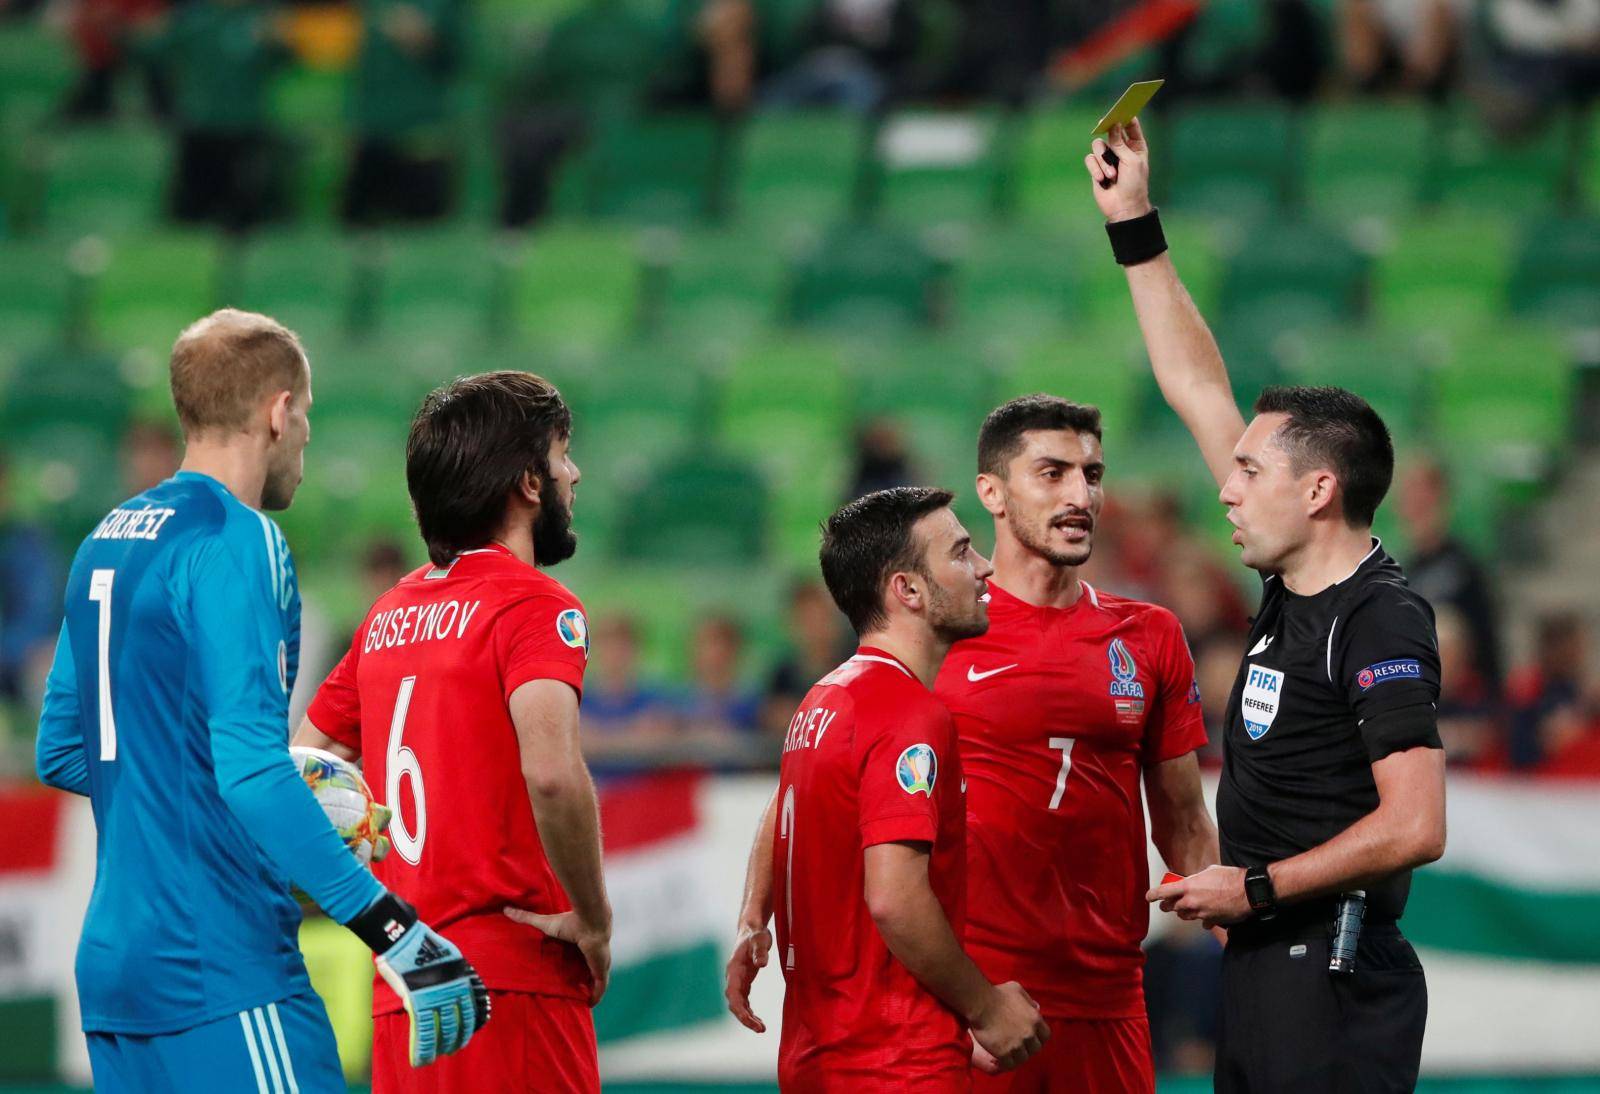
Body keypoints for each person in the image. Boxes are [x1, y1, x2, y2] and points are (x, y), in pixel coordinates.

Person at [34, 309, 485, 1093]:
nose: (305, 440)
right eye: (305, 415)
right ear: (279, 412)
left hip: (116, 976)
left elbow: (66, 751)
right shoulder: (241, 541)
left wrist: (211, 802)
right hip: (222, 968)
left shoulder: (105, 537)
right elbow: (249, 771)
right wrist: (394, 930)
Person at [1088, 119, 1447, 1093]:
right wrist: (1133, 222)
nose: (1226, 487)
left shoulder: (1378, 617)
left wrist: (1252, 885)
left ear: (1318, 490)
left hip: (1329, 971)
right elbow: (1196, 384)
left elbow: (1415, 823)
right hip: (1266, 964)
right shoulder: (1293, 583)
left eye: (1249, 470)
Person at [730, 396, 1221, 1093]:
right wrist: (755, 912)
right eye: (1052, 473)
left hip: (1111, 1002)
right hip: (979, 1001)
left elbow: (1184, 820)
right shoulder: (935, 630)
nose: (1080, 495)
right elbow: (808, 789)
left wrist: (1252, 947)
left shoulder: (1150, 636)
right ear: (992, 491)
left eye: (1093, 472)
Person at [293, 370, 611, 1094]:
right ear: (529, 482)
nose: (574, 473)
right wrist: (591, 920)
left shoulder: (386, 617)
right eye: (562, 455)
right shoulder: (534, 605)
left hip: (404, 991)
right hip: (513, 980)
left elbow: (301, 772)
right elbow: (553, 774)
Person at [726, 487, 1049, 1089]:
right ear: (909, 590)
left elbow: (785, 806)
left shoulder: (822, 701)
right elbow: (895, 899)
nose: (984, 567)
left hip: (819, 1057)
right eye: (960, 552)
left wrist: (753, 916)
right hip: (896, 1062)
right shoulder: (907, 714)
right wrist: (986, 1009)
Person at [1397, 456, 1504, 698]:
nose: (1414, 503)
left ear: (1440, 497)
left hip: (1464, 700)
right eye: (1409, 495)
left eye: (1421, 494)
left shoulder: (1464, 566)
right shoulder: (1401, 571)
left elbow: (1488, 643)